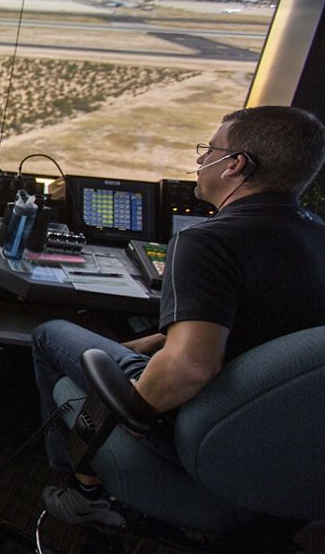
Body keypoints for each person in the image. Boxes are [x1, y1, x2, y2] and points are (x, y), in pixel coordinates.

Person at [31, 105, 325, 527]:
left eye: (210, 150)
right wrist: (157, 341)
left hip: (202, 427)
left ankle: (82, 485)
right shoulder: (316, 236)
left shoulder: (208, 241)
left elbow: (191, 365)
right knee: (133, 341)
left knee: (50, 334)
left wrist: (135, 413)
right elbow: (269, 334)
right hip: (285, 441)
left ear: (236, 165)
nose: (201, 160)